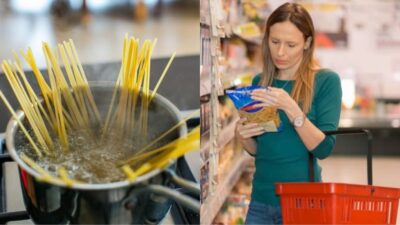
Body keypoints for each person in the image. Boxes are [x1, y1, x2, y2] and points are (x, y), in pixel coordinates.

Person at [235, 2, 342, 224]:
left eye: (291, 44)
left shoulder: (325, 82)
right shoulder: (260, 82)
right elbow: (259, 150)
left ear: (307, 43)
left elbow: (324, 149)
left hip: (304, 204)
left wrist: (292, 108)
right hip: (261, 201)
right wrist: (243, 137)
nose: (280, 52)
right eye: (274, 42)